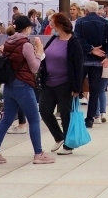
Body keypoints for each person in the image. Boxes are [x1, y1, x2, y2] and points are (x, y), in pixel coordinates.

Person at [0, 14, 52, 164]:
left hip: (9, 84)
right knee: (34, 119)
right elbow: (34, 68)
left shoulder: (8, 41)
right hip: (23, 84)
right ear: (27, 28)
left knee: (7, 119)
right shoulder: (26, 45)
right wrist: (40, 53)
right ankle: (38, 153)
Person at [37, 12, 87, 154]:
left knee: (66, 113)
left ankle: (68, 145)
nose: (50, 25)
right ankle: (59, 137)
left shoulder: (74, 42)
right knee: (45, 110)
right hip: (49, 81)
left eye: (52, 22)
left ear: (59, 24)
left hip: (65, 83)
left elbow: (78, 67)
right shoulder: (54, 38)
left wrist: (77, 87)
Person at [74, 0, 108, 127]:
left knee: (76, 87)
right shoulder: (104, 22)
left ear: (86, 10)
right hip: (98, 60)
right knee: (95, 89)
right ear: (97, 10)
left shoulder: (80, 22)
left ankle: (73, 113)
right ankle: (90, 118)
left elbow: (77, 39)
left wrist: (90, 49)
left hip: (83, 59)